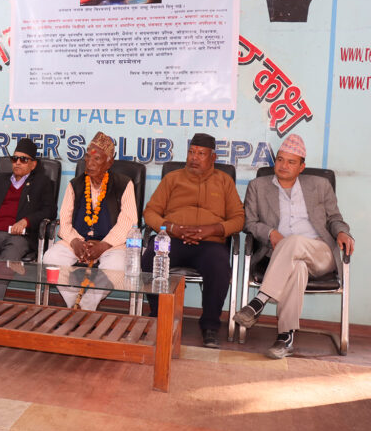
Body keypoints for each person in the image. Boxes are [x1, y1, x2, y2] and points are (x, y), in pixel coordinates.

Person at [233, 134, 354, 359]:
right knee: (297, 267)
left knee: (295, 240)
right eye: (280, 159)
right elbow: (249, 223)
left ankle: (260, 300)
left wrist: (342, 232)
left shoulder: (320, 185)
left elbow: (334, 218)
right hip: (280, 256)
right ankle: (285, 338)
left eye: (291, 162)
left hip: (319, 253)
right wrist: (270, 233)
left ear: (301, 167)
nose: (283, 165)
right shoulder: (258, 186)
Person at [141, 133, 244, 348]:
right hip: (173, 238)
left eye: (201, 154)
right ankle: (159, 315)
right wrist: (171, 228)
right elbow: (150, 213)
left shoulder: (224, 181)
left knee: (219, 266)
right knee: (150, 256)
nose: (194, 158)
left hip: (210, 243)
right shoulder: (173, 179)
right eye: (191, 152)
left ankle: (210, 326)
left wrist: (213, 229)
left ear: (213, 157)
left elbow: (238, 219)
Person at [43, 131, 138, 311]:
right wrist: (75, 242)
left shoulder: (124, 184)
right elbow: (65, 220)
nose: (90, 163)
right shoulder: (75, 184)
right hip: (78, 242)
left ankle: (86, 306)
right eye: (87, 157)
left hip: (111, 245)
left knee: (117, 266)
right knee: (50, 258)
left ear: (109, 162)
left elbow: (128, 221)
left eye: (97, 159)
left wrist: (104, 245)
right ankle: (75, 302)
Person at [0, 138, 57, 299]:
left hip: (19, 237)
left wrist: (26, 221)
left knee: (6, 262)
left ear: (33, 164)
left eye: (23, 159)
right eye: (14, 158)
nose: (17, 163)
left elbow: (49, 211)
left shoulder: (42, 182)